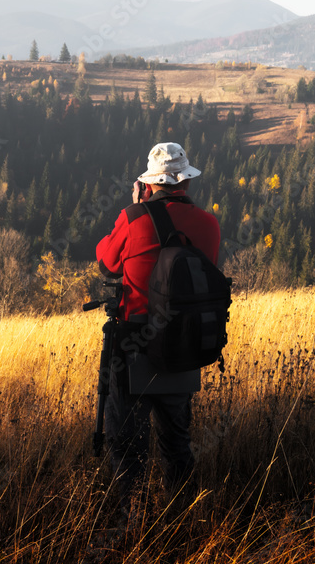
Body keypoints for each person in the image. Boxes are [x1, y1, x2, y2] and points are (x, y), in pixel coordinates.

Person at [95, 141, 221, 524]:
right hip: (184, 343)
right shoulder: (209, 224)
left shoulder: (135, 218)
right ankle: (181, 519)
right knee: (177, 443)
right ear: (184, 182)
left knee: (128, 442)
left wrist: (133, 206)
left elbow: (105, 261)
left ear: (149, 183)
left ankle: (132, 520)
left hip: (134, 343)